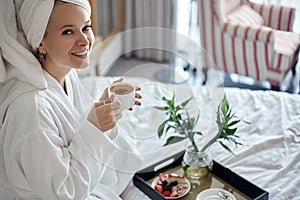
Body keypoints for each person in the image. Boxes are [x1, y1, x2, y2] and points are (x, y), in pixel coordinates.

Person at [0, 0, 143, 199]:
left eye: (86, 27)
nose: (84, 40)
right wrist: (95, 128)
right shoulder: (31, 112)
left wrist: (105, 109)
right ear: (41, 41)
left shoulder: (66, 74)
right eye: (68, 32)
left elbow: (74, 130)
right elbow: (63, 193)